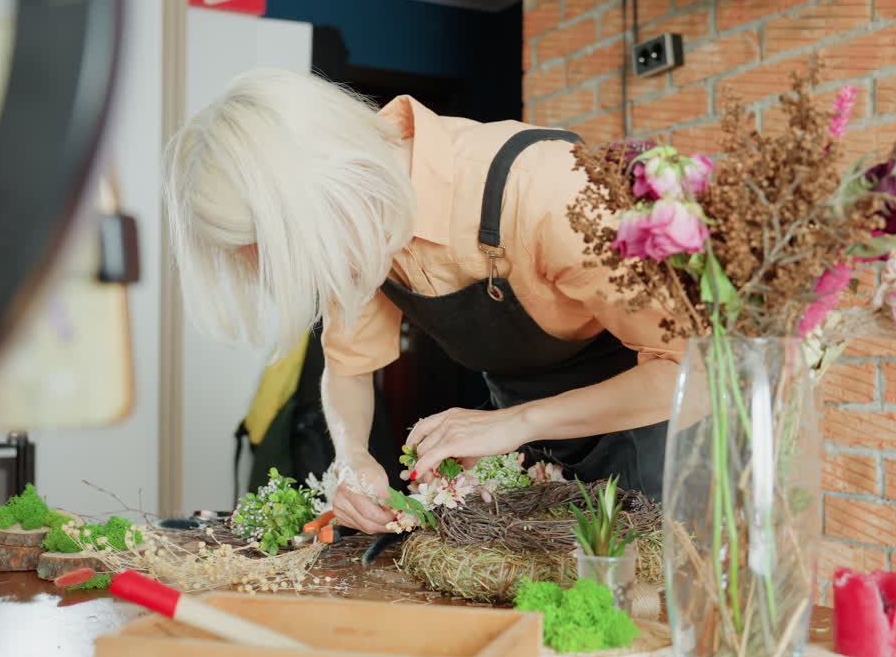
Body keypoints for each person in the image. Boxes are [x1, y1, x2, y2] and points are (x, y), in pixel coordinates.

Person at [164, 69, 682, 536]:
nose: (325, 275)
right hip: (530, 445)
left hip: (657, 436)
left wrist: (516, 423)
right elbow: (347, 368)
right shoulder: (360, 221)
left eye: (307, 250)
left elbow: (692, 371)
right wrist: (352, 458)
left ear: (338, 185)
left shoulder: (549, 190)